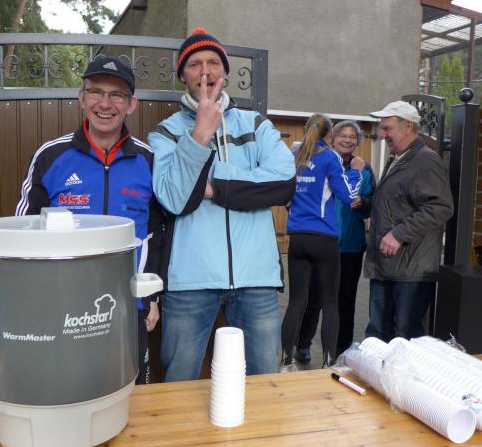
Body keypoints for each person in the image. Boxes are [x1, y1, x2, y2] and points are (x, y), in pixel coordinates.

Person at [149, 28, 296, 382]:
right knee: (179, 384)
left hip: (256, 278)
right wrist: (200, 133)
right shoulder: (165, 133)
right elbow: (174, 198)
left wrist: (213, 187)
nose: (205, 71)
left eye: (213, 62)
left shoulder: (256, 124)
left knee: (264, 382)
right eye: (195, 64)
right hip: (190, 281)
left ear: (225, 73)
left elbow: (282, 182)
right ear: (183, 75)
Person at [15, 55, 163, 385]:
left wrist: (151, 297)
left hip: (128, 306)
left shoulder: (148, 161)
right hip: (60, 306)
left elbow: (155, 234)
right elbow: (24, 232)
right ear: (82, 97)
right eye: (96, 91)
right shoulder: (51, 156)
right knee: (67, 390)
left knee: (130, 394)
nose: (105, 104)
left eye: (117, 95)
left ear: (131, 104)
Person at [364, 100, 453, 342]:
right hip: (387, 267)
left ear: (408, 127)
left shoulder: (425, 161)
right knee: (378, 338)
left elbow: (441, 206)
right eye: (382, 128)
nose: (382, 135)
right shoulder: (399, 159)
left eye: (388, 128)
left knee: (405, 340)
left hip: (410, 271)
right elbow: (395, 203)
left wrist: (399, 234)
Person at [279, 115, 363, 371]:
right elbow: (350, 197)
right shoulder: (330, 157)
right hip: (324, 239)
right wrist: (356, 172)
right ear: (330, 135)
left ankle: (286, 361)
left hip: (297, 239)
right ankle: (328, 363)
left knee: (296, 302)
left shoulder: (295, 155)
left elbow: (285, 194)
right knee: (330, 304)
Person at [295, 120, 376, 362]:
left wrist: (363, 204)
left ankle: (341, 351)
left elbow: (373, 202)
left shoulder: (364, 169)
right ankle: (303, 344)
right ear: (332, 137)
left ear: (358, 142)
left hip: (350, 246)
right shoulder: (318, 160)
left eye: (353, 137)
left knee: (345, 301)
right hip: (321, 241)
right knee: (313, 298)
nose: (348, 140)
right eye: (343, 135)